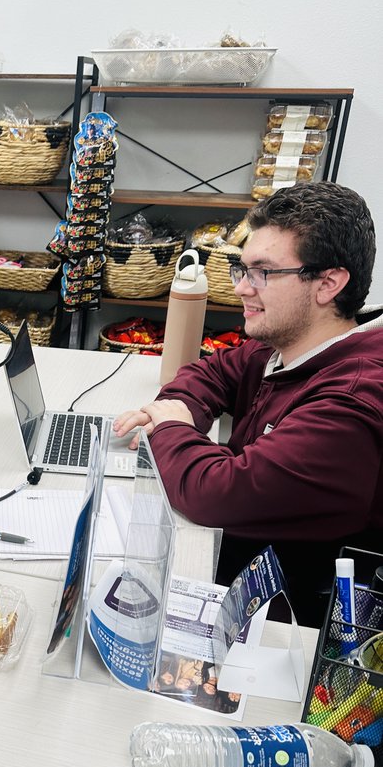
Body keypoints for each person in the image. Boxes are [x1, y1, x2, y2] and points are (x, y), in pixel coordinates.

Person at [114, 181, 381, 629]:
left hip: (285, 626)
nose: (241, 288)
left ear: (328, 284)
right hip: (240, 565)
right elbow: (214, 372)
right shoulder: (289, 343)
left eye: (263, 273)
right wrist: (177, 407)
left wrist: (171, 427)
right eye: (243, 269)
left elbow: (215, 492)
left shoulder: (351, 402)